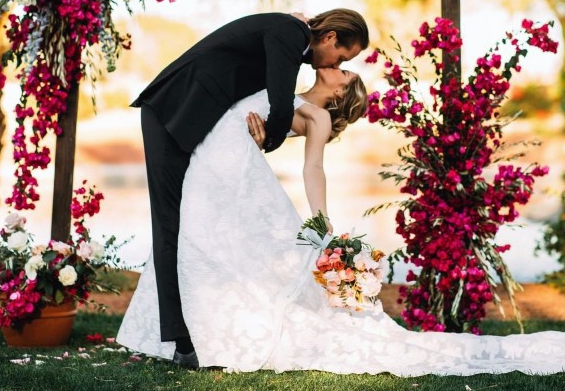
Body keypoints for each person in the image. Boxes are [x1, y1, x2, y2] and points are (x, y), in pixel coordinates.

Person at [118, 71, 565, 376]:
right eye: (345, 67)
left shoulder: (318, 115)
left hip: (235, 178)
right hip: (215, 163)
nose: (341, 68)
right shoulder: (281, 84)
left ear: (337, 96)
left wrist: (321, 224)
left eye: (347, 75)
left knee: (215, 247)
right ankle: (186, 332)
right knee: (200, 246)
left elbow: (315, 168)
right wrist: (263, 134)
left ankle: (202, 337)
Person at [131, 10, 369, 367]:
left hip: (205, 140)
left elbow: (310, 159)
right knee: (170, 227)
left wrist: (320, 213)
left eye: (344, 67)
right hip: (174, 109)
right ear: (332, 37)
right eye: (343, 59)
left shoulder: (293, 48)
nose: (338, 64)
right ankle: (182, 342)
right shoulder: (290, 32)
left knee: (191, 234)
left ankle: (192, 337)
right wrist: (270, 134)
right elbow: (278, 101)